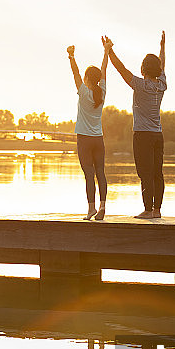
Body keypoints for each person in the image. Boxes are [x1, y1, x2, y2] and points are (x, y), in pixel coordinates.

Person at [103, 32, 167, 219]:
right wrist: (162, 47)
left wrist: (110, 50)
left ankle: (147, 210)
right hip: (158, 135)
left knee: (145, 172)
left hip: (142, 135)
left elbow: (121, 69)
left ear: (143, 69)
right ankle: (157, 210)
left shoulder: (139, 85)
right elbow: (162, 63)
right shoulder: (162, 84)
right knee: (157, 172)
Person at [67, 39, 110, 220]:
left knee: (89, 174)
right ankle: (102, 207)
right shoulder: (103, 92)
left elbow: (75, 72)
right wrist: (106, 51)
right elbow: (104, 69)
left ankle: (91, 209)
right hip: (98, 139)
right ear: (98, 79)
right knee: (101, 172)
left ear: (86, 79)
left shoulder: (83, 92)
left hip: (84, 139)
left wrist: (71, 56)